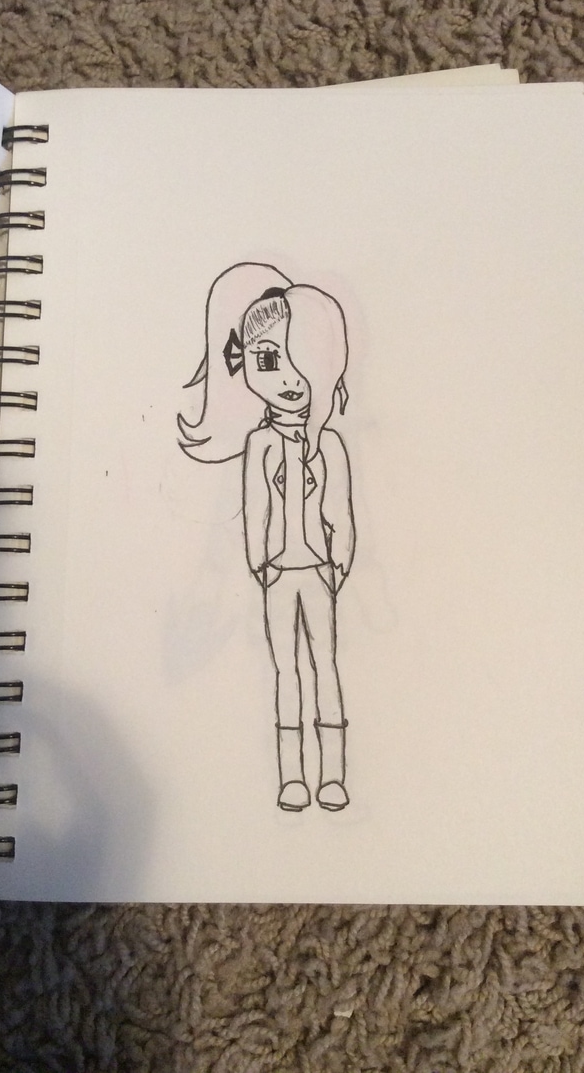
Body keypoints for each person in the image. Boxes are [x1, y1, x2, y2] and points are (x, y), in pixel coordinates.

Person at [179, 262, 355, 811]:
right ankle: (292, 778)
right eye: (268, 360)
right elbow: (255, 508)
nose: (287, 378)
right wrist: (262, 562)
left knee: (326, 663)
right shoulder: (259, 444)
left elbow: (341, 512)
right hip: (279, 572)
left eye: (299, 359)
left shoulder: (329, 445)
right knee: (286, 669)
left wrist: (338, 563)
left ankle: (333, 776)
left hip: (318, 570)